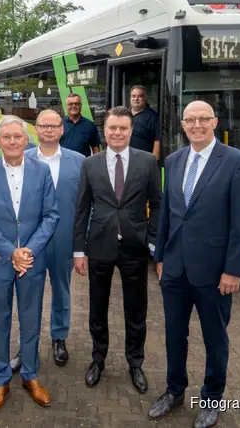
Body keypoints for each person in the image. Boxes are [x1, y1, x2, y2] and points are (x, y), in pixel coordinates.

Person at [148, 101, 240, 428]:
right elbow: (167, 213)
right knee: (173, 335)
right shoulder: (174, 159)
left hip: (214, 273)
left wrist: (234, 270)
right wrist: (161, 257)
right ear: (182, 125)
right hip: (175, 270)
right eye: (190, 120)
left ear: (214, 122)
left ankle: (211, 400)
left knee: (214, 339)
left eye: (203, 119)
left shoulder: (237, 162)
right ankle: (174, 390)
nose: (197, 125)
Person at [0, 115, 60, 413]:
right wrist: (11, 252)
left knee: (31, 320)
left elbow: (51, 215)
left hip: (32, 262)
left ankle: (30, 375)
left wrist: (29, 251)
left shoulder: (42, 171)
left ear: (26, 140)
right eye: (6, 137)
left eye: (17, 136)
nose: (11, 141)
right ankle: (0, 379)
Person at [73, 106, 161, 394]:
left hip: (135, 247)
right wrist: (78, 250)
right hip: (99, 245)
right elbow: (82, 209)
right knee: (97, 307)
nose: (117, 133)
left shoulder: (147, 161)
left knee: (136, 310)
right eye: (112, 128)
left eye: (123, 128)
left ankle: (135, 362)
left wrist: (153, 239)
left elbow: (158, 204)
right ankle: (98, 359)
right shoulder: (90, 164)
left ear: (131, 131)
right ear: (105, 131)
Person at [10, 109, 85, 372]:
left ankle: (59, 337)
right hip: (31, 243)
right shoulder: (22, 158)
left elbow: (86, 206)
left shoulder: (79, 161)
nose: (49, 130)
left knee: (62, 291)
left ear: (62, 129)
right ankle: (25, 344)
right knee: (29, 294)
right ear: (36, 130)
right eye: (44, 125)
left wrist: (80, 248)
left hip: (64, 240)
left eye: (54, 125)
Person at [129, 85, 160, 159]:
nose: (136, 99)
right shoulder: (124, 114)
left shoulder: (153, 117)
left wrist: (154, 163)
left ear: (145, 98)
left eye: (140, 96)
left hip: (142, 162)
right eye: (133, 96)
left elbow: (157, 141)